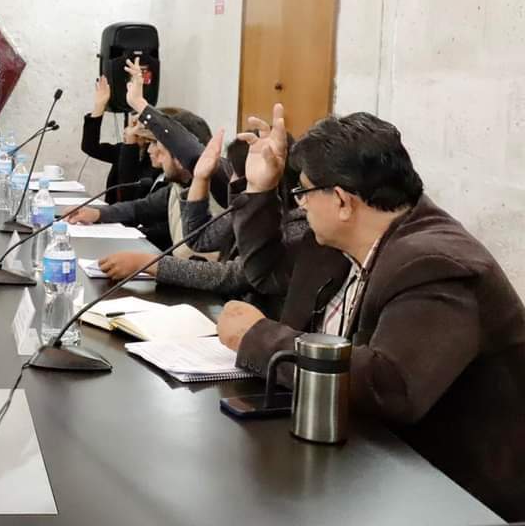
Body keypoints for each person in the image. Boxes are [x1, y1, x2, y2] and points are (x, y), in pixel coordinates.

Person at [217, 104, 525, 521]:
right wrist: (259, 188)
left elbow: (391, 385)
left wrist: (259, 338)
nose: (301, 207)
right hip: (372, 464)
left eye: (303, 193)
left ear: (342, 201)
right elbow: (266, 273)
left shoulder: (436, 263)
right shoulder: (346, 240)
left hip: (453, 495)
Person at [97, 129, 306, 318]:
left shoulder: (297, 228)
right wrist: (200, 178)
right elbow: (198, 239)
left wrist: (150, 263)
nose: (231, 180)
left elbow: (232, 276)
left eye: (236, 173)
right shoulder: (247, 208)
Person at [66, 60, 228, 253]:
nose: (153, 151)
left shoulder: (218, 191)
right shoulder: (176, 188)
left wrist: (139, 104)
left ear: (179, 155)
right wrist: (96, 213)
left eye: (157, 144)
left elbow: (202, 259)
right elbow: (137, 208)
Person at [80, 75, 159, 204]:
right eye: (129, 125)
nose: (127, 130)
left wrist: (130, 146)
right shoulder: (122, 149)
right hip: (112, 212)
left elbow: (130, 195)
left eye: (134, 126)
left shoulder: (155, 158)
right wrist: (99, 106)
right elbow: (90, 147)